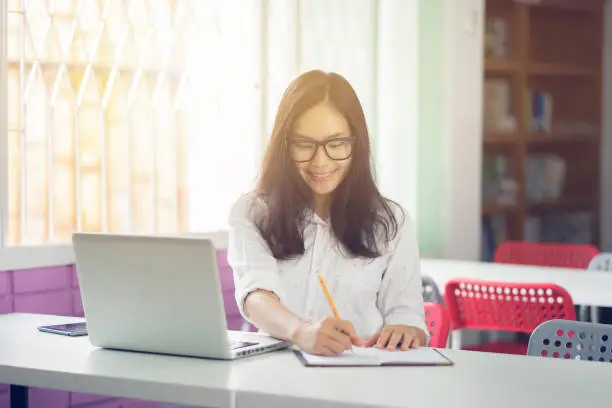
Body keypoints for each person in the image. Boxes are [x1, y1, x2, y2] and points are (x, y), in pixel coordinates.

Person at [227, 69, 427, 356]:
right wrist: (300, 332)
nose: (320, 162)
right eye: (304, 145)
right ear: (285, 145)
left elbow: (407, 315)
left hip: (363, 379)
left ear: (357, 145)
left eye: (336, 144)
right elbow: (255, 296)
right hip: (276, 375)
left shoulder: (392, 222)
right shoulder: (252, 212)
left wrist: (406, 330)